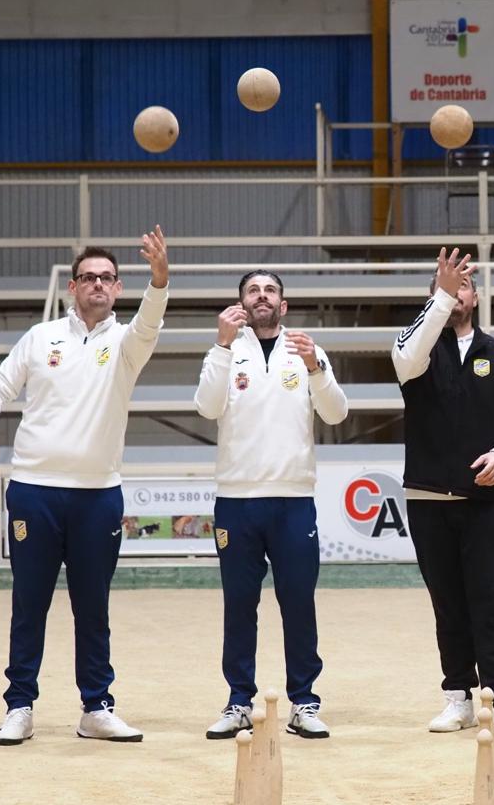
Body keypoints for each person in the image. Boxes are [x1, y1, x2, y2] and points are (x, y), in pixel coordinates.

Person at [0, 230, 169, 746]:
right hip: (34, 491)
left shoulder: (127, 345)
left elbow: (151, 321)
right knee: (29, 602)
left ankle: (96, 707)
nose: (98, 285)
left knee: (93, 605)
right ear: (74, 288)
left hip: (98, 494)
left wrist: (160, 278)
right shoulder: (41, 339)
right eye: (89, 277)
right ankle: (19, 706)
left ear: (118, 288)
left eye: (108, 278)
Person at [392, 247, 494, 739]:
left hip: (486, 502)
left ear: (476, 298)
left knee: (491, 599)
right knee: (447, 604)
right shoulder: (412, 349)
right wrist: (440, 293)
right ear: (435, 292)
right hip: (428, 500)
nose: (457, 293)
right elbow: (407, 355)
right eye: (447, 285)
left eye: (464, 286)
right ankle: (456, 694)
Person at [194, 270, 348, 741]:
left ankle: (304, 702)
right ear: (240, 305)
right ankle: (239, 700)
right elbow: (206, 406)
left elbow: (337, 413)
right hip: (237, 502)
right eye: (253, 291)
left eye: (270, 290)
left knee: (298, 603)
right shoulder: (225, 349)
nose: (262, 296)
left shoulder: (306, 350)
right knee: (239, 605)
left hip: (293, 500)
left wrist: (317, 369)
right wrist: (222, 345)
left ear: (283, 304)